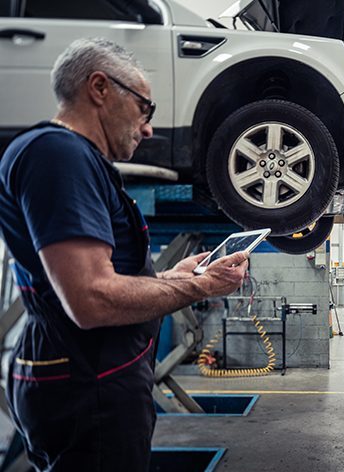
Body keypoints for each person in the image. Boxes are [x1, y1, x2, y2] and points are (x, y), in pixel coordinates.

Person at [0, 38, 248, 471]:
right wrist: (200, 286)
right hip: (87, 387)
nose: (149, 127)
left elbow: (103, 279)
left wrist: (175, 275)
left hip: (93, 380)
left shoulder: (75, 160)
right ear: (99, 88)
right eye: (144, 108)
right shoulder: (58, 155)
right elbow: (92, 299)